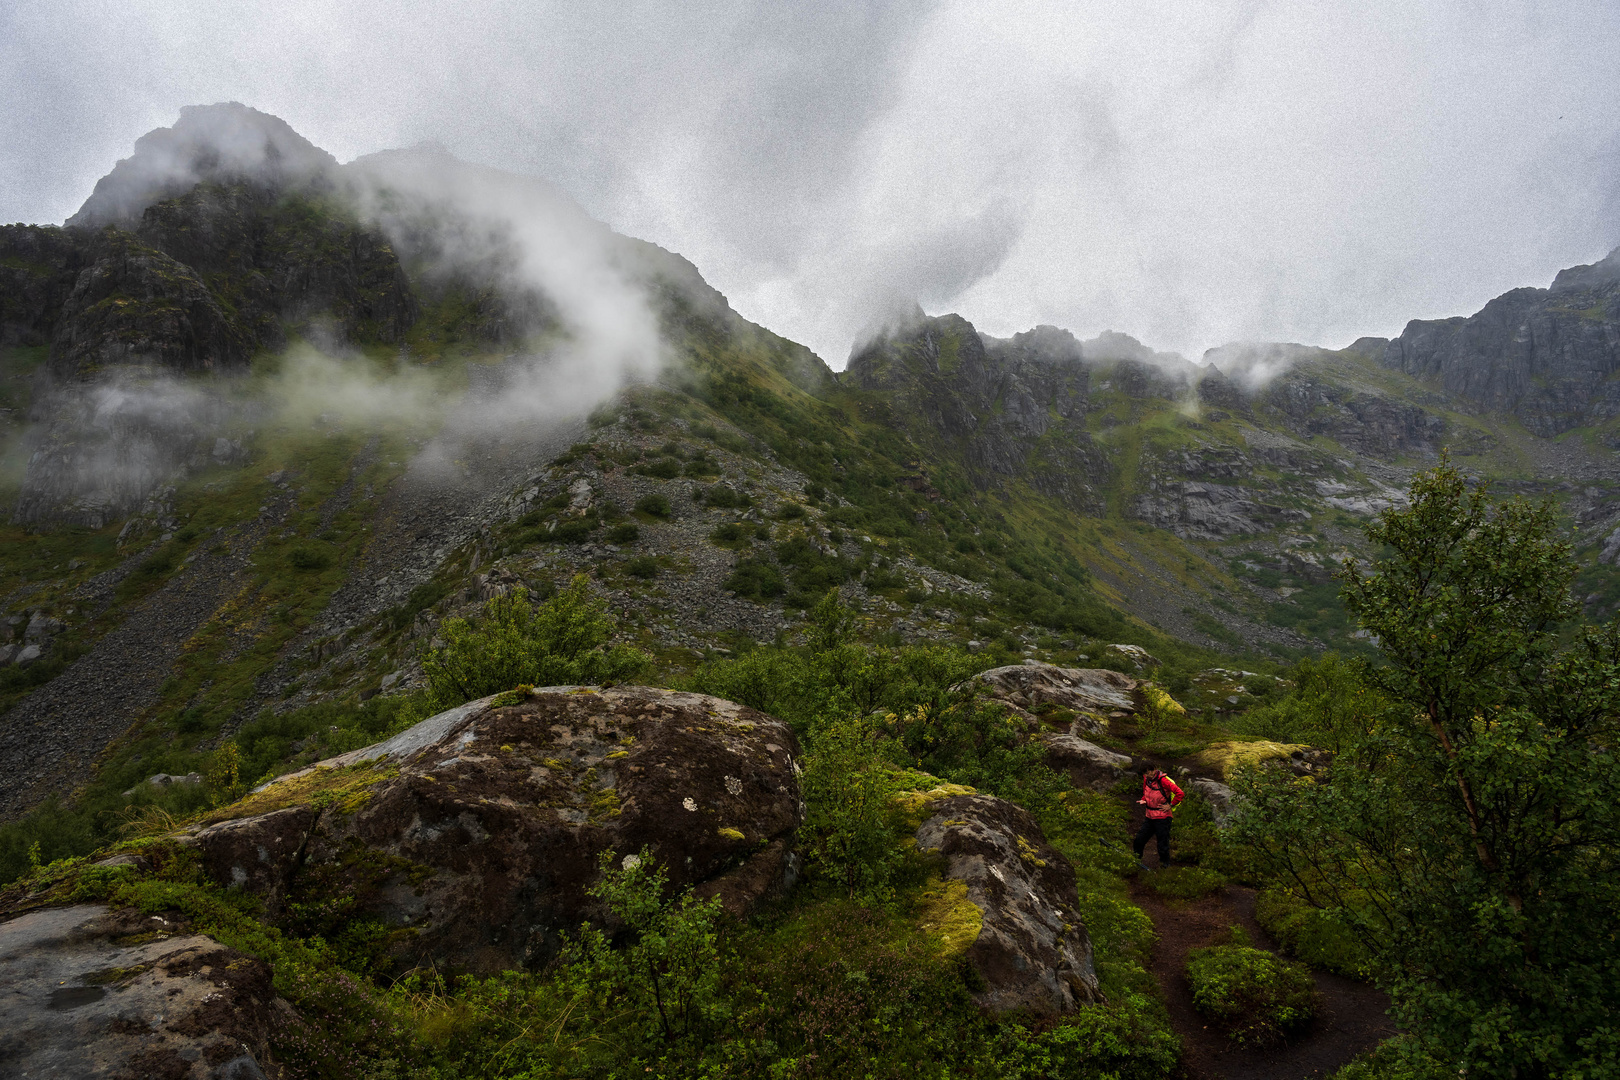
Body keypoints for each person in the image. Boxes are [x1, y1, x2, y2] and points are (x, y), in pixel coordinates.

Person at [1133, 767, 1184, 869]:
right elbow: (1146, 792)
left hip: (1163, 817)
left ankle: (1165, 866)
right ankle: (1136, 862)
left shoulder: (1163, 781)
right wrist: (1144, 800)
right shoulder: (1146, 779)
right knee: (1139, 840)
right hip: (1150, 816)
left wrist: (1170, 805)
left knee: (1162, 844)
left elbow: (1180, 793)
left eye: (1150, 772)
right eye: (1146, 773)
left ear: (1154, 769)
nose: (1149, 775)